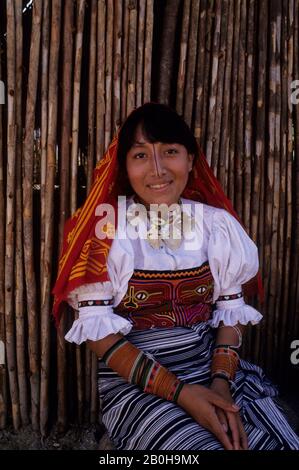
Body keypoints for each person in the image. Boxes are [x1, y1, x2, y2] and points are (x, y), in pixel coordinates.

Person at [52, 103, 299, 450]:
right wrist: (184, 396)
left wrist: (220, 385)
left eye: (170, 152)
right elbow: (99, 335)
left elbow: (230, 312)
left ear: (191, 161)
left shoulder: (217, 226)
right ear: (124, 166)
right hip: (138, 379)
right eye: (140, 155)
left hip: (212, 366)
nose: (157, 169)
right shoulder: (105, 229)